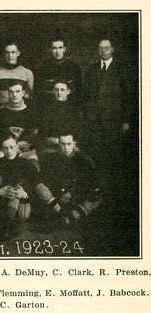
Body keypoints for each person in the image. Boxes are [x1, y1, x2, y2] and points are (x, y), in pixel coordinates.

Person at [83, 37, 134, 197]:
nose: (103, 50)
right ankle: (99, 194)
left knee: (115, 158)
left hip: (114, 123)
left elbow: (129, 97)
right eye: (100, 48)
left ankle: (116, 195)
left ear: (112, 49)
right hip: (94, 123)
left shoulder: (121, 69)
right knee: (97, 157)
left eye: (106, 47)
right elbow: (85, 96)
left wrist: (126, 121)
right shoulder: (91, 69)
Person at [35, 133, 101, 228]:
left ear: (74, 144)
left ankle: (65, 220)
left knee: (96, 194)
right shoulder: (52, 158)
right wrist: (60, 192)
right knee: (39, 186)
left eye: (69, 144)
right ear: (59, 144)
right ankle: (65, 216)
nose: (66, 147)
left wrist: (71, 193)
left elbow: (88, 181)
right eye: (63, 144)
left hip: (77, 194)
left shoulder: (84, 159)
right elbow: (46, 179)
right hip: (57, 197)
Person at [0, 136, 39, 239]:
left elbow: (37, 183)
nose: (9, 151)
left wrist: (25, 193)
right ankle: (6, 224)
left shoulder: (26, 163)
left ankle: (7, 226)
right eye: (5, 148)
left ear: (17, 148)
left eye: (12, 147)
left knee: (15, 190)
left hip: (20, 206)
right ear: (2, 149)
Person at [0, 79, 38, 161]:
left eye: (17, 91)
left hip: (26, 151)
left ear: (23, 93)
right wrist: (15, 144)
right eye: (11, 92)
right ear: (8, 93)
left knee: (34, 164)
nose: (14, 95)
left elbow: (35, 135)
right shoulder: (0, 113)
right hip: (6, 150)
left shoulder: (32, 113)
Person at [37, 80, 83, 157]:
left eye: (62, 90)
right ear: (53, 91)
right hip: (51, 146)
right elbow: (43, 132)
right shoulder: (46, 110)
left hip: (69, 145)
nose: (59, 93)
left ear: (68, 91)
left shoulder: (74, 111)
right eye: (56, 90)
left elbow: (77, 131)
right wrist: (51, 140)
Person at [35, 36, 82, 105]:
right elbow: (39, 92)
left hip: (69, 106)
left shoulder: (74, 67)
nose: (57, 51)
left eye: (60, 48)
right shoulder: (43, 68)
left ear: (64, 49)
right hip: (49, 106)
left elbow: (78, 91)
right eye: (54, 48)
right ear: (50, 49)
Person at [0, 41, 34, 110]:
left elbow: (31, 96)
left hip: (20, 111)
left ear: (18, 53)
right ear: (4, 54)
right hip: (0, 111)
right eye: (7, 52)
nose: (10, 56)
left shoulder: (27, 72)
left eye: (13, 52)